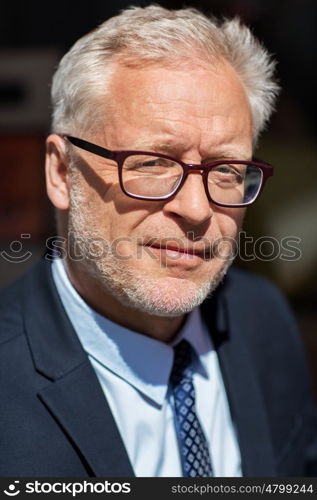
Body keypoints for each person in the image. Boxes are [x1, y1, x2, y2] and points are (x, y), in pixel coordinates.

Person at [0, 5, 316, 478]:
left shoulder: (262, 318)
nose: (195, 209)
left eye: (226, 170)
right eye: (152, 163)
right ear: (62, 172)